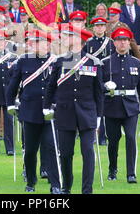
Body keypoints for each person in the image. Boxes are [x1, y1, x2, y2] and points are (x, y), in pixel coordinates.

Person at [43, 25, 104, 194]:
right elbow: (51, 87)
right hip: (65, 112)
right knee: (66, 154)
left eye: (70, 35)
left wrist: (99, 114)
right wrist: (46, 107)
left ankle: (87, 190)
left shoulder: (93, 62)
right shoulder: (60, 61)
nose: (66, 38)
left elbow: (98, 92)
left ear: (79, 40)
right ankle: (66, 187)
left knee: (88, 151)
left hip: (87, 113)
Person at [6, 29, 61, 194]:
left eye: (39, 42)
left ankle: (55, 184)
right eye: (34, 42)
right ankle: (31, 181)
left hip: (50, 112)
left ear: (48, 44)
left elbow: (61, 86)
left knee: (51, 148)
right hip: (29, 112)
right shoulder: (23, 61)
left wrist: (57, 105)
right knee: (30, 150)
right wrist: (10, 104)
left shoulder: (56, 62)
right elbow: (13, 84)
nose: (35, 45)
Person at [100, 27, 140, 184]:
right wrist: (104, 86)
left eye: (125, 40)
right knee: (113, 141)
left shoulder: (135, 62)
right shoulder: (106, 62)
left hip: (130, 107)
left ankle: (131, 173)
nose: (122, 43)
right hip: (111, 106)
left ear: (129, 43)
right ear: (114, 43)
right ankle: (112, 169)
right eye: (119, 40)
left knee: (130, 138)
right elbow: (97, 85)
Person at [86, 16, 115, 146]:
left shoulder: (110, 43)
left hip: (105, 77)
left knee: (103, 107)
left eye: (102, 25)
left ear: (105, 27)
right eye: (97, 26)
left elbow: (114, 61)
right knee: (91, 107)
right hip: (91, 77)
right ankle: (91, 135)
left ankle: (103, 137)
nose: (99, 28)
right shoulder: (88, 43)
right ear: (93, 28)